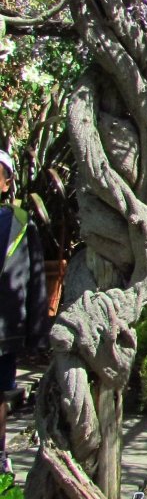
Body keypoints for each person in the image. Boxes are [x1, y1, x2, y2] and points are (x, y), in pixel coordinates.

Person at [0, 150, 48, 475]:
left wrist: (36, 329)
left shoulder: (19, 222)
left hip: (4, 328)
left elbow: (35, 277)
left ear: (7, 183)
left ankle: (0, 455)